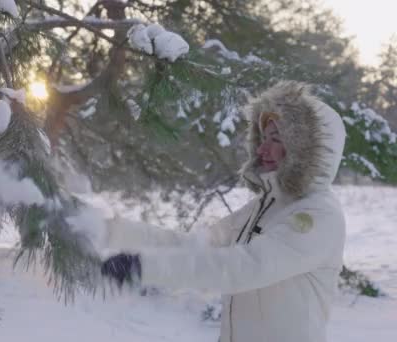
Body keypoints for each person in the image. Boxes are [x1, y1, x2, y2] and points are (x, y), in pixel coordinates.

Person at [99, 81, 347, 342]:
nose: (262, 149)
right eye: (263, 138)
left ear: (306, 151)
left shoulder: (319, 215)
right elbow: (199, 244)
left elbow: (244, 267)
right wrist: (110, 231)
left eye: (275, 139)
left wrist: (144, 268)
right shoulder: (265, 205)